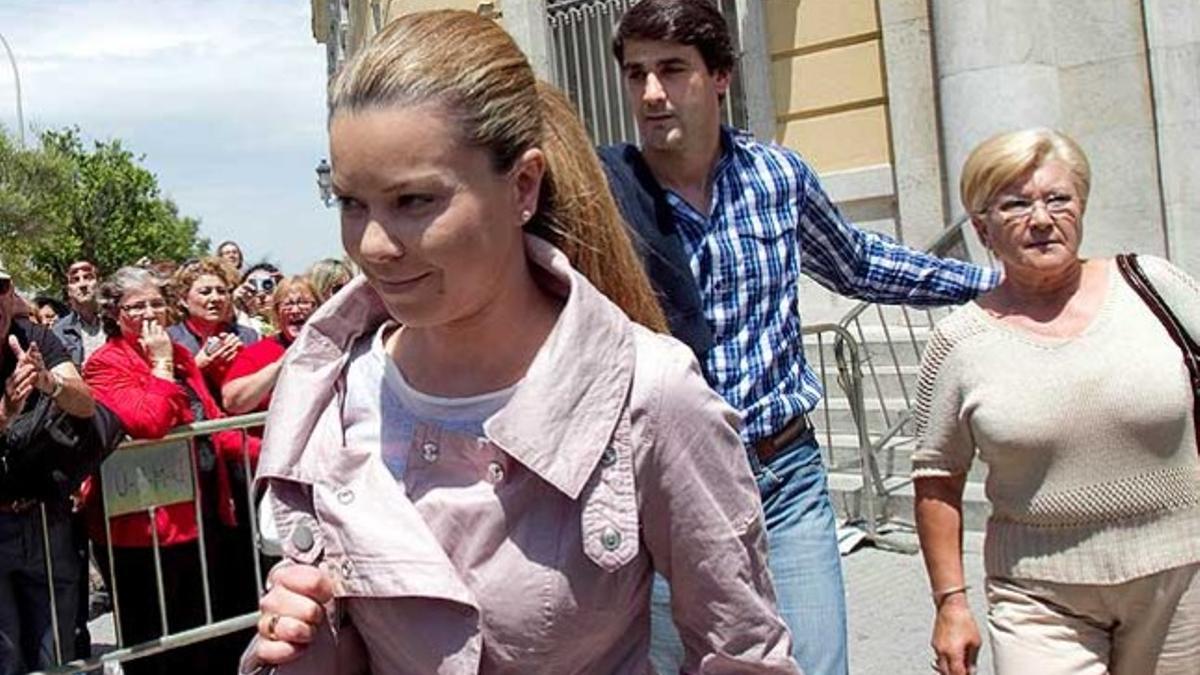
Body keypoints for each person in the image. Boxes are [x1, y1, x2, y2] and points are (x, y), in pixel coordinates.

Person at [243, 10, 799, 673]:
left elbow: (743, 653)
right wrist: (300, 637)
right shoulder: (326, 395)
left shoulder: (648, 394)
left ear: (523, 186)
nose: (373, 246)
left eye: (415, 201)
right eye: (351, 203)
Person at [598, 2, 1000, 673]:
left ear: (720, 75)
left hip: (784, 477)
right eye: (636, 74)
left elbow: (857, 262)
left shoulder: (776, 178)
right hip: (668, 489)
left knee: (816, 664)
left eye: (672, 69)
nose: (652, 94)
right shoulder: (608, 196)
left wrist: (984, 283)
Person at [912, 128, 1200, 675]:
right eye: (1015, 205)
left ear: (1081, 207)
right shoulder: (959, 342)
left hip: (1182, 577)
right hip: (1038, 599)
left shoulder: (1155, 287)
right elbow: (936, 480)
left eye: (1058, 199)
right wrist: (951, 604)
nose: (1041, 219)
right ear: (983, 229)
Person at [83, 267, 260, 675]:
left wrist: (275, 455)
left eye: (156, 303)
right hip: (140, 532)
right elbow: (150, 423)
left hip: (197, 520)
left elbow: (216, 429)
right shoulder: (105, 364)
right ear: (115, 313)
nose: (149, 312)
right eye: (136, 305)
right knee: (154, 647)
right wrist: (160, 365)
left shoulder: (183, 358)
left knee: (198, 637)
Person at [0, 265, 97, 675]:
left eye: (1, 288)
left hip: (45, 520)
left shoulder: (34, 338)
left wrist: (49, 383)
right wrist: (5, 414)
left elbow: (85, 402)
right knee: (6, 655)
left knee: (53, 652)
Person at [221, 276, 320, 417]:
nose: (296, 310)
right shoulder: (258, 352)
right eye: (287, 304)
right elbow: (232, 402)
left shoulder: (336, 346)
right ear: (276, 312)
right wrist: (280, 365)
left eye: (304, 303)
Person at [167, 257, 259, 401]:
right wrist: (197, 366)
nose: (215, 298)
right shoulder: (170, 340)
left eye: (221, 291)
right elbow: (165, 391)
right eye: (205, 292)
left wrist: (242, 363)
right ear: (183, 300)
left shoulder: (248, 336)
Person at [53, 261, 106, 367]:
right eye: (75, 280)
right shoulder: (59, 331)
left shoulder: (118, 320)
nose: (82, 284)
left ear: (99, 284)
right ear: (69, 291)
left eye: (88, 277)